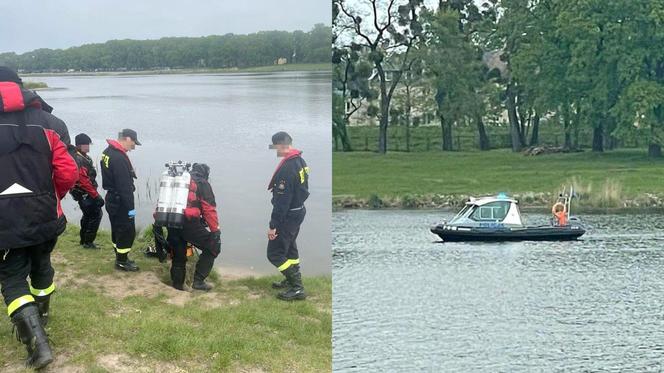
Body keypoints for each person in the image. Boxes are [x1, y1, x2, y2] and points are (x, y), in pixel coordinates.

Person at [0, 71, 78, 368]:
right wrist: (50, 195)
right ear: (20, 87)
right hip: (45, 213)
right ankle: (42, 315)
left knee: (12, 278)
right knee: (42, 265)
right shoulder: (50, 123)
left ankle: (39, 345)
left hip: (4, 223)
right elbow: (68, 172)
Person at [266, 131, 309, 301]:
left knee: (275, 253)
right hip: (299, 211)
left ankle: (297, 288)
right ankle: (290, 280)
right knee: (290, 246)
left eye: (275, 147)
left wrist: (273, 225)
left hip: (288, 214)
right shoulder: (300, 160)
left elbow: (282, 202)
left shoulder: (287, 168)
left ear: (280, 145)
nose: (275, 151)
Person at [165, 163, 221, 291]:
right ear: (206, 174)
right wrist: (215, 231)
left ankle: (178, 285)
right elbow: (209, 208)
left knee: (179, 254)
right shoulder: (202, 183)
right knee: (212, 247)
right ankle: (198, 281)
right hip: (189, 223)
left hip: (171, 221)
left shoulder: (179, 180)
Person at [100, 129, 141, 271]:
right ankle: (122, 261)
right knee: (127, 230)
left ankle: (119, 257)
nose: (134, 147)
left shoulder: (107, 152)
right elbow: (124, 187)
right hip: (121, 201)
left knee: (116, 229)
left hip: (111, 198)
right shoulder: (119, 158)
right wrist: (131, 209)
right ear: (127, 139)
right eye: (133, 143)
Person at [70, 133, 104, 248]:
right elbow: (84, 181)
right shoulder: (79, 159)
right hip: (85, 193)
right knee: (96, 215)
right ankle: (88, 242)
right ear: (79, 145)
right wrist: (96, 196)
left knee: (87, 215)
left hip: (84, 193)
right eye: (86, 144)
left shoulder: (82, 156)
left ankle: (84, 240)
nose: (88, 147)